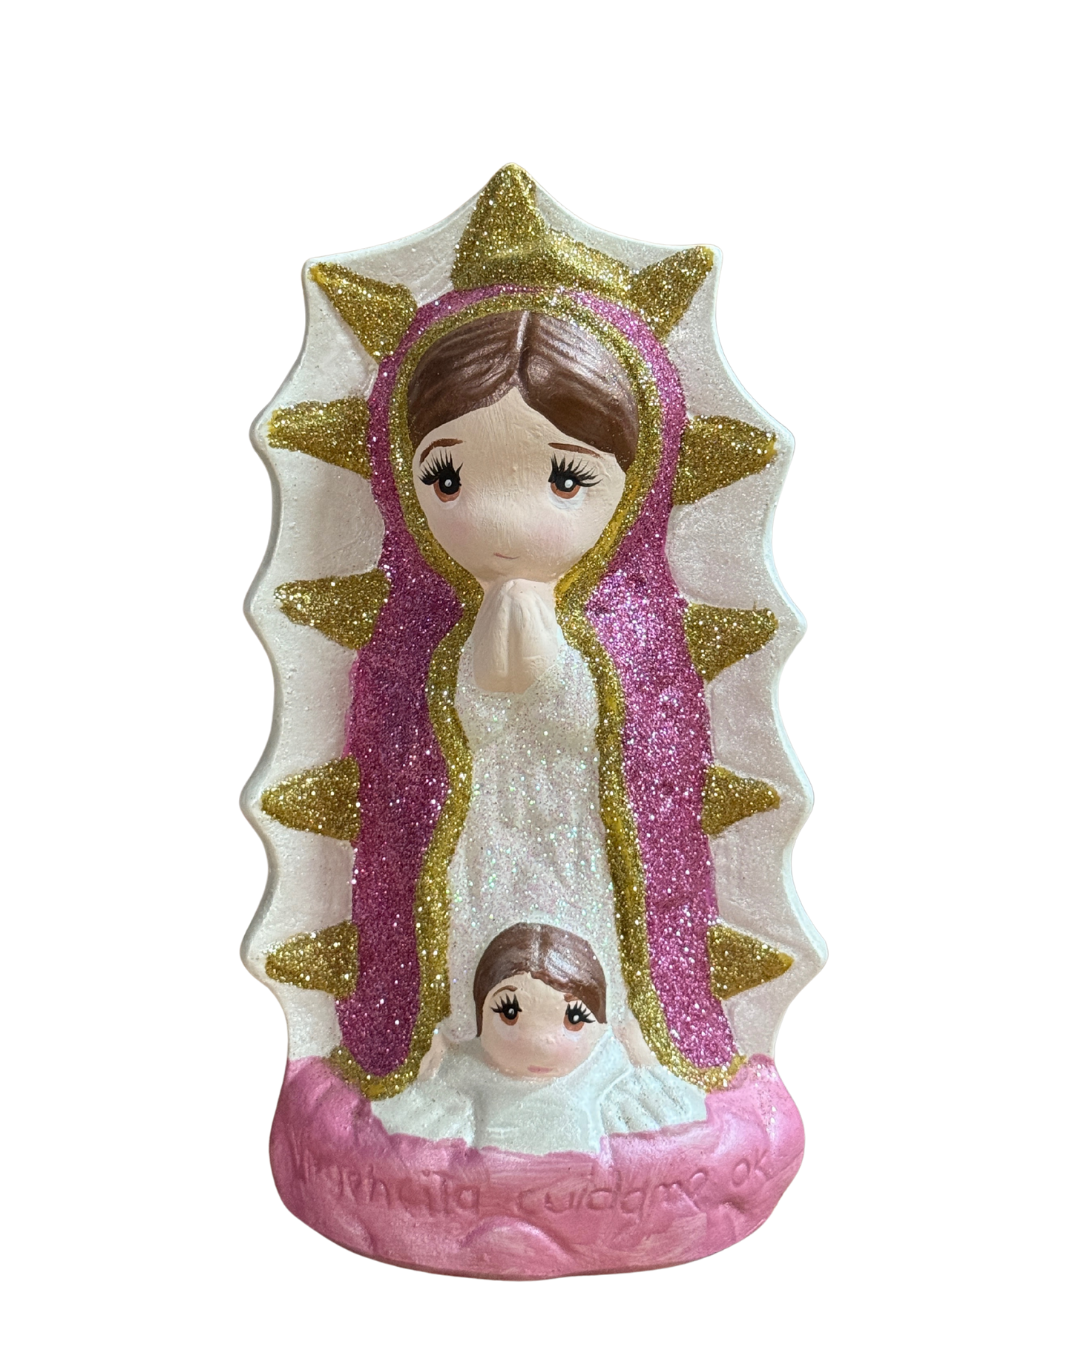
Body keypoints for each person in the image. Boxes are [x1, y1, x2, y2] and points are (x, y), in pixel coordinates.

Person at [372, 924, 705, 1154]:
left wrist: (641, 1057)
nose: (541, 1043)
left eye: (574, 1018)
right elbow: (403, 1124)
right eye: (509, 1013)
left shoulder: (607, 1067)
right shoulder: (466, 1069)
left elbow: (679, 1116)